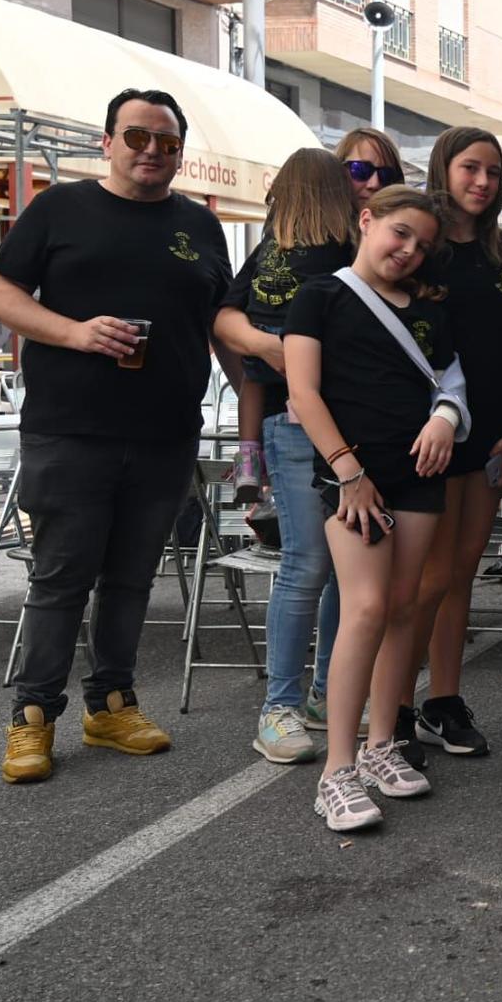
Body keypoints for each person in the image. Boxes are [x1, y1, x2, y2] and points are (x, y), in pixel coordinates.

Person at [0, 88, 232, 784]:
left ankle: (112, 705)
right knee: (61, 578)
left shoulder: (200, 225)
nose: (152, 151)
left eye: (167, 142)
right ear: (107, 142)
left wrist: (255, 413)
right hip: (72, 429)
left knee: (130, 579)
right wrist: (76, 333)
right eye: (136, 137)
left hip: (166, 433)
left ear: (180, 153)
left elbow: (222, 321)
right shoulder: (60, 209)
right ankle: (33, 716)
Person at [284, 186, 465, 830]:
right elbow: (303, 393)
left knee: (405, 607)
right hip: (352, 476)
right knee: (364, 607)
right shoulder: (319, 296)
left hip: (419, 474)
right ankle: (336, 770)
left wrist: (445, 418)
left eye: (423, 244)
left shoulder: (430, 311)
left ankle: (381, 743)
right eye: (400, 233)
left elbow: (451, 384)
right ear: (367, 220)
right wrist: (348, 473)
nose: (409, 250)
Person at [214, 147, 361, 763]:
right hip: (329, 423)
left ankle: (307, 699)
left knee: (322, 565)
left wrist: (261, 345)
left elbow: (224, 318)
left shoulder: (271, 249)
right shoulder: (344, 249)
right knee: (320, 565)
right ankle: (290, 702)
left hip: (290, 420)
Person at [402, 127, 502, 763]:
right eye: (470, 168)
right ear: (443, 169)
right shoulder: (420, 247)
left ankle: (443, 701)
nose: (483, 182)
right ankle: (394, 709)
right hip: (428, 430)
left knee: (461, 572)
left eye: (493, 172)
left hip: (492, 430)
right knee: (427, 579)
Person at [224, 130, 406, 504]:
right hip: (300, 416)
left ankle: (248, 460)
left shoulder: (397, 248)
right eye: (360, 170)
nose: (373, 183)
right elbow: (223, 317)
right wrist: (270, 346)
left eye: (386, 175)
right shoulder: (314, 237)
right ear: (334, 177)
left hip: (365, 419)